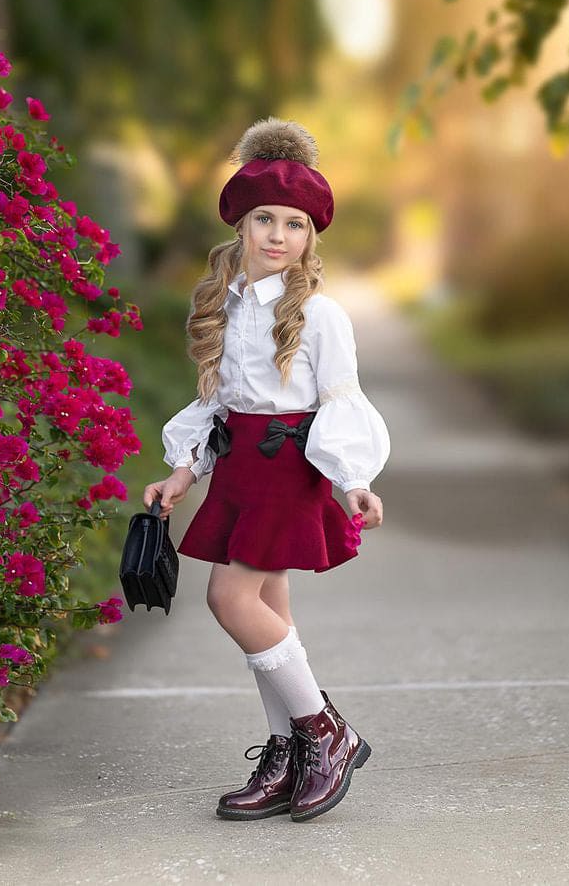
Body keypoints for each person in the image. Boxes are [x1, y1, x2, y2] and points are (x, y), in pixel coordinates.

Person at [143, 117, 390, 823]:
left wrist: (354, 483)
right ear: (240, 226)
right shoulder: (225, 305)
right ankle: (286, 755)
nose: (278, 235)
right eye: (264, 220)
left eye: (295, 224)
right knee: (270, 611)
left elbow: (342, 403)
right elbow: (215, 404)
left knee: (230, 599)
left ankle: (326, 733)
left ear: (312, 237)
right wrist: (182, 472)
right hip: (239, 473)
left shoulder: (320, 315)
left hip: (289, 470)